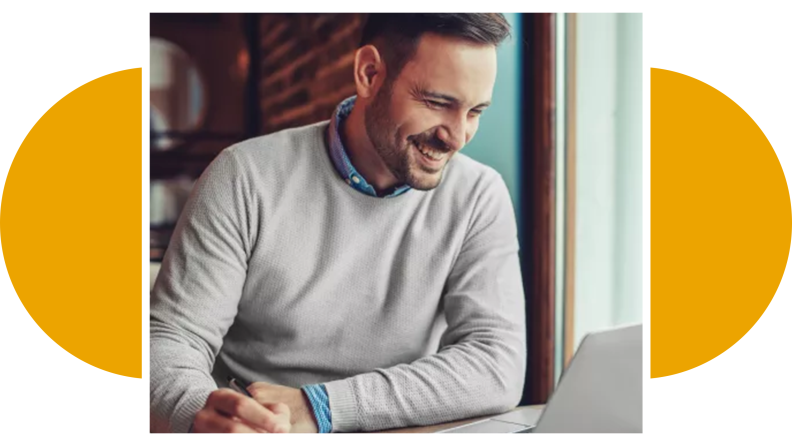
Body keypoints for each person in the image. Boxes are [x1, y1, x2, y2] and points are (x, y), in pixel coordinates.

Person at [150, 13, 526, 434]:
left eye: (475, 110)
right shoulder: (244, 175)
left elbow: (497, 363)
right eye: (438, 103)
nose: (456, 136)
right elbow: (170, 340)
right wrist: (201, 416)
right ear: (369, 73)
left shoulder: (479, 196)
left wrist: (321, 406)